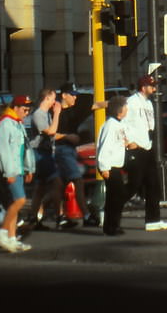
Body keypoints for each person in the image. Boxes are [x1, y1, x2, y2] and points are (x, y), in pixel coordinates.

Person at [123, 75, 167, 231]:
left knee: (153, 185)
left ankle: (153, 220)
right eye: (151, 86)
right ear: (143, 87)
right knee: (134, 185)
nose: (154, 89)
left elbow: (150, 125)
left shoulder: (149, 104)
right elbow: (122, 122)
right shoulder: (131, 102)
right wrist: (129, 141)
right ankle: (110, 209)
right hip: (136, 148)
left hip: (147, 147)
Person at [0, 95, 35, 253]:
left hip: (19, 170)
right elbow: (2, 150)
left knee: (13, 204)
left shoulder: (18, 124)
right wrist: (9, 172)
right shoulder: (6, 123)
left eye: (29, 109)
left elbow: (25, 148)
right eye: (24, 109)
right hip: (11, 171)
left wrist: (29, 168)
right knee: (20, 201)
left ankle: (11, 238)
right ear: (15, 107)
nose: (27, 112)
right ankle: (2, 232)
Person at [54, 83, 100, 228]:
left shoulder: (75, 111)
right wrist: (67, 137)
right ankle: (86, 215)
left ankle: (52, 216)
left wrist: (113, 103)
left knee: (57, 186)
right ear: (64, 95)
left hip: (69, 150)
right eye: (72, 94)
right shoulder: (54, 112)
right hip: (61, 150)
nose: (75, 97)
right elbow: (48, 132)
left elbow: (96, 105)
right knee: (78, 181)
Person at [26, 88, 63, 230]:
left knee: (40, 188)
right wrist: (57, 114)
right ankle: (60, 216)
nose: (55, 102)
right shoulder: (38, 115)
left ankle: (34, 217)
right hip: (40, 153)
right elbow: (51, 131)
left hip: (45, 151)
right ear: (46, 98)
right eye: (53, 98)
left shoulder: (45, 114)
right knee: (56, 182)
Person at [96, 95, 132, 236]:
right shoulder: (110, 126)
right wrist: (104, 167)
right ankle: (111, 226)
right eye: (125, 107)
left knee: (115, 196)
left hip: (116, 165)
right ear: (119, 110)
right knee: (117, 196)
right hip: (109, 166)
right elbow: (104, 147)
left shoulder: (118, 124)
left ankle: (112, 225)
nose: (127, 109)